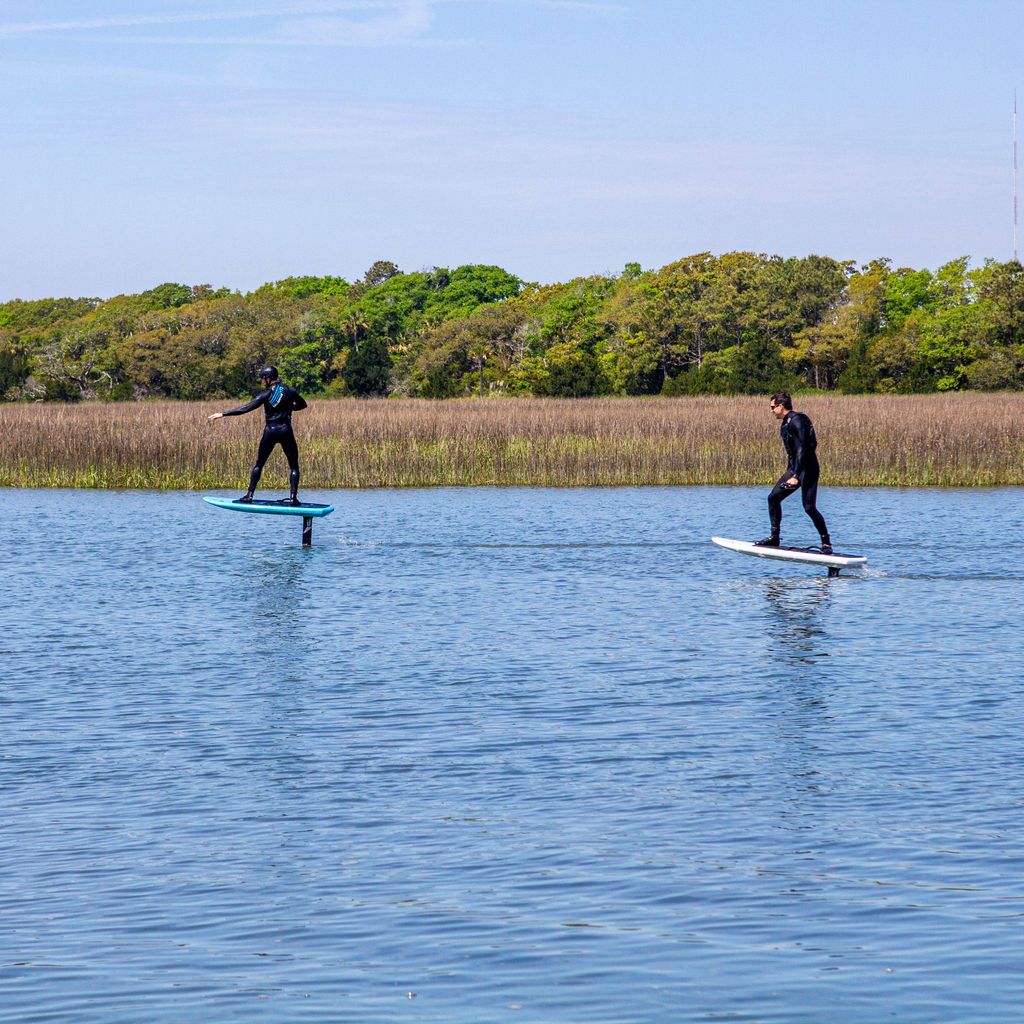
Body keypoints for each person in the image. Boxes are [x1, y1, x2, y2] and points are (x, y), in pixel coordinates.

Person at [208, 366, 307, 505]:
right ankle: (293, 498)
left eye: (263, 378)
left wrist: (223, 414)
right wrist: (290, 407)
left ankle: (249, 495)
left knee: (259, 464)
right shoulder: (290, 391)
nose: (262, 381)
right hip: (286, 431)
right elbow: (303, 404)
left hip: (270, 432)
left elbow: (245, 408)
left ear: (269, 378)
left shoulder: (266, 394)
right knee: (294, 466)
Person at [755, 392, 832, 554]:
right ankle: (774, 537)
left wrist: (796, 476)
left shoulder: (798, 420)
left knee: (809, 507)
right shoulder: (785, 422)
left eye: (772, 407)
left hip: (808, 469)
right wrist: (793, 471)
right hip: (794, 469)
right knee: (773, 498)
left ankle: (826, 543)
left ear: (780, 406)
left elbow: (805, 446)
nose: (771, 411)